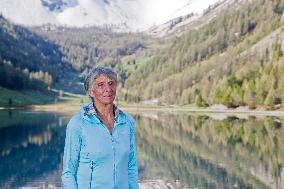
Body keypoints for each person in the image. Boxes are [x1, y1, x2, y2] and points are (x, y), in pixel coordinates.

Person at [61, 67, 139, 189]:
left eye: (111, 83)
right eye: (101, 85)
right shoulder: (77, 124)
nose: (108, 89)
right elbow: (68, 172)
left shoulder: (127, 122)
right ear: (91, 92)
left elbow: (131, 166)